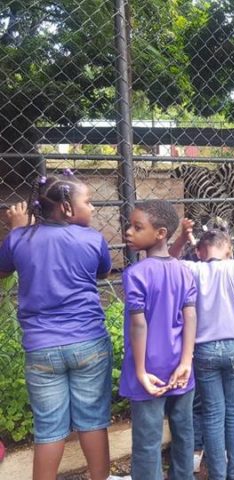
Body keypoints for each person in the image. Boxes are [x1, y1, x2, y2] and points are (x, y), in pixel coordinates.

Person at [0, 173, 127, 480]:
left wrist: (17, 231)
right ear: (68, 209)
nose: (94, 208)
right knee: (93, 421)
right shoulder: (92, 239)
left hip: (41, 348)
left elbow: (3, 270)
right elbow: (103, 271)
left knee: (49, 429)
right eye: (88, 201)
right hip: (89, 343)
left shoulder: (19, 238)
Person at [168, 221, 234, 480]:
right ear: (228, 249)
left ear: (200, 251)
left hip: (203, 352)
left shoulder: (191, 268)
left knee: (213, 414)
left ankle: (217, 474)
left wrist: (182, 238)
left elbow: (167, 259)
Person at [119, 200, 198, 480]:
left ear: (161, 233)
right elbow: (190, 317)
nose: (128, 231)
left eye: (137, 227)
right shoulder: (185, 271)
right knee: (184, 434)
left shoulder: (135, 274)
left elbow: (139, 324)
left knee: (147, 442)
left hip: (148, 373)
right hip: (180, 370)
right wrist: (186, 362)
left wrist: (140, 371)